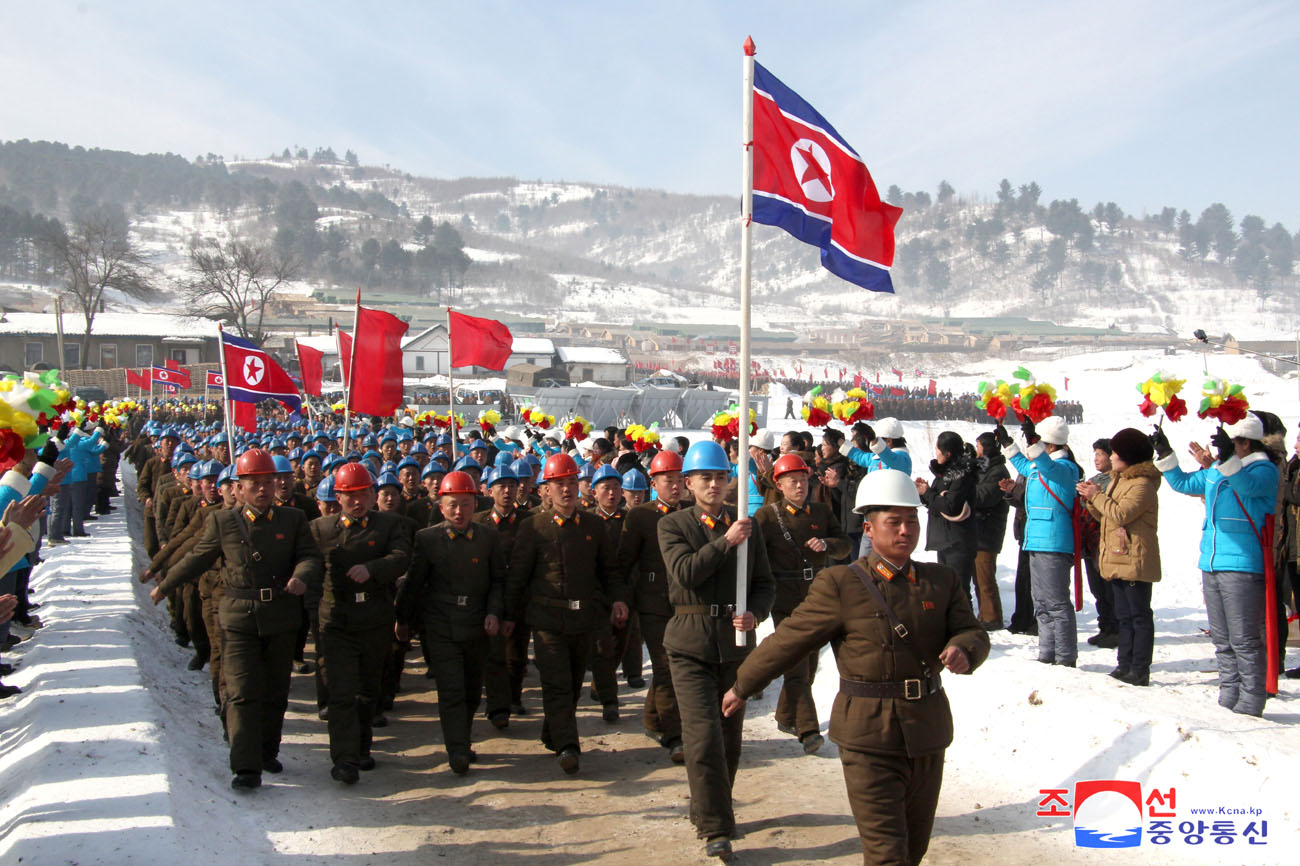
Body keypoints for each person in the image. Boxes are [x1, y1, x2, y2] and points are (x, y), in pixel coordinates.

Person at [722, 469, 990, 865]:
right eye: (893, 522)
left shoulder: (941, 580)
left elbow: (973, 631)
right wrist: (742, 685)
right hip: (869, 734)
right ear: (868, 527)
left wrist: (964, 649)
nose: (905, 531)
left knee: (913, 850)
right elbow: (789, 640)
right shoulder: (841, 584)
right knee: (887, 854)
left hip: (927, 730)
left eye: (911, 521)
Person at [153, 448, 324, 790]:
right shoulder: (223, 521)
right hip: (238, 617)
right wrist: (165, 584)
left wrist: (302, 575)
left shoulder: (292, 520)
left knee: (276, 690)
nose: (263, 489)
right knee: (243, 691)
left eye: (268, 482)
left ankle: (267, 752)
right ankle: (245, 766)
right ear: (239, 487)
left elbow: (309, 556)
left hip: (280, 615)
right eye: (254, 483)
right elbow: (198, 557)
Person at [658, 440, 774, 860]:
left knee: (729, 740)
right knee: (703, 737)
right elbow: (687, 573)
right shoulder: (674, 526)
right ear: (688, 483)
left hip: (735, 646)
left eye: (721, 477)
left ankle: (706, 807)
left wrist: (755, 614)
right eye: (705, 478)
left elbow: (764, 583)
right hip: (689, 643)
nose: (714, 485)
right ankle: (717, 829)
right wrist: (726, 541)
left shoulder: (749, 526)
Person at [504, 453, 628, 775]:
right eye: (559, 484)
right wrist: (507, 615)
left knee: (573, 684)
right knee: (557, 683)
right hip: (546, 621)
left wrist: (617, 600)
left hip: (583, 619)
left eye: (572, 482)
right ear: (546, 489)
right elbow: (517, 577)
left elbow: (609, 570)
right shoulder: (533, 527)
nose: (567, 490)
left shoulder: (593, 525)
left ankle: (553, 732)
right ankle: (568, 746)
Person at [1155, 413, 1279, 716]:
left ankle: (1252, 698)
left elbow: (1247, 487)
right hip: (1211, 560)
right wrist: (1165, 454)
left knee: (1244, 638)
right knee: (1222, 638)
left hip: (1243, 562)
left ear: (1245, 442)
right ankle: (1229, 692)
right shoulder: (1219, 470)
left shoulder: (1264, 470)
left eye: (1231, 442)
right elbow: (1185, 483)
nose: (1226, 448)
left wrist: (1222, 461)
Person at [399, 470, 505, 774]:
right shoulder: (428, 538)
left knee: (472, 690)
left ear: (475, 505)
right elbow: (414, 583)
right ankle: (456, 749)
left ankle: (464, 739)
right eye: (452, 505)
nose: (459, 512)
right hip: (441, 624)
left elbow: (498, 580)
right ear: (442, 506)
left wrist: (493, 612)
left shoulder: (488, 537)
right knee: (451, 690)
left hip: (476, 623)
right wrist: (403, 620)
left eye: (466, 505)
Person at [753, 452, 850, 754]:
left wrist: (828, 545)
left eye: (803, 479)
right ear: (779, 485)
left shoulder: (821, 512)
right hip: (783, 596)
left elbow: (845, 544)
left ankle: (785, 714)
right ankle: (807, 728)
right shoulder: (767, 517)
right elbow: (757, 558)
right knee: (796, 660)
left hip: (815, 592)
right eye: (792, 481)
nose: (799, 486)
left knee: (809, 662)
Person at [1076, 429, 1161, 686]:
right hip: (1116, 556)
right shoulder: (1118, 479)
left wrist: (1097, 496)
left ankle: (1139, 667)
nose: (1111, 457)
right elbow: (1107, 517)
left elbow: (1122, 514)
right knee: (1123, 615)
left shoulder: (1143, 483)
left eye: (1114, 453)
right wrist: (1091, 500)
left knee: (1138, 615)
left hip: (1134, 557)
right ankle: (1124, 663)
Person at [997, 416, 1082, 667]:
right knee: (1041, 602)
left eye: (1039, 443)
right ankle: (1047, 652)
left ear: (1051, 445)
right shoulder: (1041, 466)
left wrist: (1033, 443)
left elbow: (1046, 468)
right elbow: (1025, 466)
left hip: (1054, 542)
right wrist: (1007, 443)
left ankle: (1065, 656)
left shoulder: (1066, 468)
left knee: (1056, 603)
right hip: (1035, 539)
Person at [915, 432, 978, 605]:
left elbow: (950, 506)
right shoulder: (945, 474)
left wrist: (929, 493)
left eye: (938, 449)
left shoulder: (961, 475)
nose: (936, 453)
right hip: (945, 540)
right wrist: (925, 493)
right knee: (947, 591)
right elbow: (938, 505)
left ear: (947, 453)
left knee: (959, 592)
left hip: (958, 541)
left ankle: (966, 628)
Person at [1080, 439, 1119, 649]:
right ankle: (1105, 626)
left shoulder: (1116, 481)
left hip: (1106, 541)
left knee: (1109, 588)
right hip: (1090, 541)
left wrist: (1092, 496)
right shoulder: (1094, 480)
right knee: (1097, 589)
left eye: (1100, 454)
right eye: (1095, 454)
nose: (1096, 459)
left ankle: (1116, 628)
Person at [971, 431, 1009, 630]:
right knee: (978, 577)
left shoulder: (998, 471)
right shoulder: (985, 468)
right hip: (979, 530)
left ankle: (992, 617)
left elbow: (984, 496)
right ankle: (984, 614)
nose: (976, 450)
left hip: (988, 531)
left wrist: (965, 489)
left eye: (978, 446)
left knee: (985, 577)